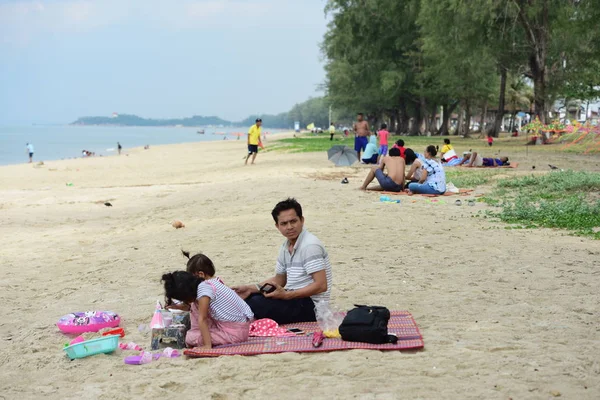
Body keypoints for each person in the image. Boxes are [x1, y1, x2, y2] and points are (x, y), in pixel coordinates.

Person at [233, 198, 332, 324]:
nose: (289, 227)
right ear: (277, 226)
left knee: (255, 304)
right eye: (284, 224)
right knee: (250, 297)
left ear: (302, 220)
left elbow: (321, 285)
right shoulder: (285, 246)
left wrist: (287, 296)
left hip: (312, 307)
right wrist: (251, 288)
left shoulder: (310, 246)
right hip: (294, 299)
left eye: (293, 221)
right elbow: (280, 280)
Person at [162, 252, 254, 349]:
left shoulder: (204, 289)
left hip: (234, 333)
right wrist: (177, 307)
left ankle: (204, 339)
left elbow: (202, 318)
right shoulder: (212, 283)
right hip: (240, 327)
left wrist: (207, 345)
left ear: (200, 274)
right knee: (195, 307)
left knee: (190, 337)